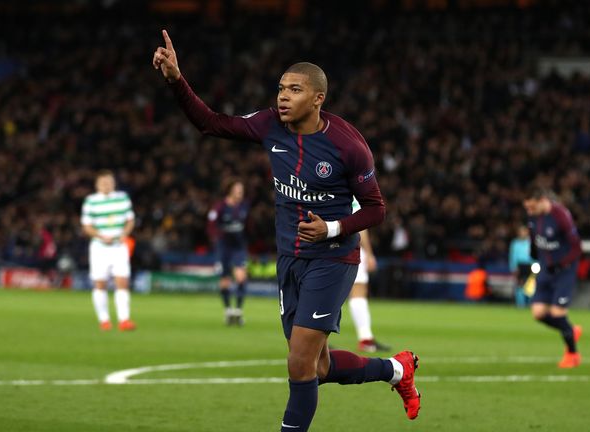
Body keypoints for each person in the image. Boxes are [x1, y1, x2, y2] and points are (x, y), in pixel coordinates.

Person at [153, 30, 420, 430]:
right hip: (289, 257)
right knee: (320, 366)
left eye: (294, 89)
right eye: (280, 88)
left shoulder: (348, 146)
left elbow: (376, 209)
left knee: (298, 364)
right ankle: (397, 371)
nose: (282, 96)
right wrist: (176, 78)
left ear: (317, 98)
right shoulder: (268, 125)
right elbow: (210, 123)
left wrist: (332, 228)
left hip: (332, 258)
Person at [523, 187, 583, 368]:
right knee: (538, 313)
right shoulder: (534, 217)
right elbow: (534, 240)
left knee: (557, 313)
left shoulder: (560, 216)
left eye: (532, 207)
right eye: (527, 208)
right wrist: (534, 258)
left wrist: (563, 263)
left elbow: (576, 247)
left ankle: (572, 354)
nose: (529, 211)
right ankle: (570, 330)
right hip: (545, 269)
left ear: (542, 200)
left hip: (563, 271)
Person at [81, 170, 136, 331]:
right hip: (100, 248)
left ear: (114, 183)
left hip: (119, 247)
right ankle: (104, 320)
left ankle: (124, 320)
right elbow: (87, 226)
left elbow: (130, 221)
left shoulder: (122, 198)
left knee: (122, 282)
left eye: (109, 182)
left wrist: (124, 234)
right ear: (97, 184)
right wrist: (100, 236)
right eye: (103, 182)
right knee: (100, 284)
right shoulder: (91, 201)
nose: (106, 185)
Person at [349, 197, 391, 352]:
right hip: (350, 246)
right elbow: (360, 227)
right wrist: (369, 253)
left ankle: (318, 341)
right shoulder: (353, 193)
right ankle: (365, 338)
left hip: (329, 245)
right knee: (358, 291)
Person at [207, 178, 250, 326]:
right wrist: (216, 238)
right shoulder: (220, 207)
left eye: (242, 191)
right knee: (225, 280)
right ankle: (228, 311)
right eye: (238, 190)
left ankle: (238, 311)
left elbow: (248, 225)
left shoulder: (244, 206)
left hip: (238, 247)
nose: (241, 193)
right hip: (224, 247)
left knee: (241, 277)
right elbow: (211, 224)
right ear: (230, 190)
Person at [509, 225, 534, 307]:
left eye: (524, 231)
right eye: (521, 232)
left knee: (531, 287)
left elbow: (536, 255)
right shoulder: (515, 243)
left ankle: (530, 305)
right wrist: (513, 268)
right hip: (520, 266)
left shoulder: (531, 242)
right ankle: (521, 305)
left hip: (531, 266)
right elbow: (512, 256)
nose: (522, 233)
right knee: (520, 286)